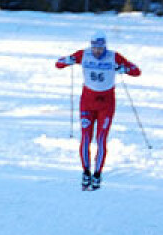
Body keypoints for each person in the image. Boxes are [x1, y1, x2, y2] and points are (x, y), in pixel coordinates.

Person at [55, 31, 141, 190]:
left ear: (105, 46)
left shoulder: (114, 56)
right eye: (95, 47)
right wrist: (68, 61)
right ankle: (86, 172)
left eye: (100, 48)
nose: (97, 52)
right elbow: (58, 64)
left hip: (106, 104)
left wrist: (124, 69)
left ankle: (97, 174)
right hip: (87, 103)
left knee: (101, 139)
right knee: (86, 138)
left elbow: (137, 71)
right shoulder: (83, 54)